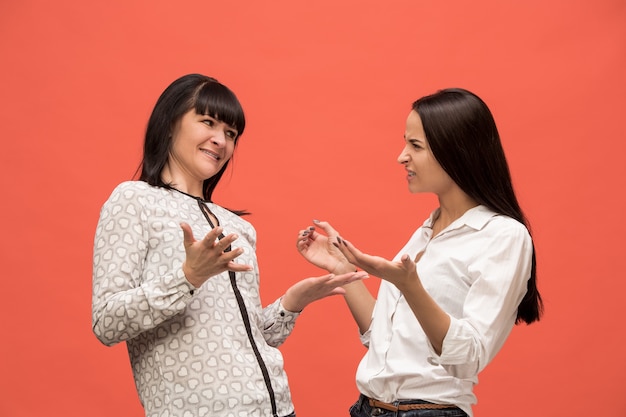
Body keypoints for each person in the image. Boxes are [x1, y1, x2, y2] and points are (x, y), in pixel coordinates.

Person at [91, 73, 367, 417]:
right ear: (169, 123)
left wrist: (292, 303)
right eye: (207, 122)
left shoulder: (238, 227)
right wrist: (188, 278)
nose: (220, 140)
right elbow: (106, 322)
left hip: (279, 409)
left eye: (231, 134)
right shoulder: (133, 200)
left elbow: (244, 341)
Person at [296, 88, 543, 417]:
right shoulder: (427, 231)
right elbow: (387, 341)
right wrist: (342, 268)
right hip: (368, 408)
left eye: (415, 146)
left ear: (456, 152)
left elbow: (467, 357)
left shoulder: (503, 236)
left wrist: (411, 286)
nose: (401, 157)